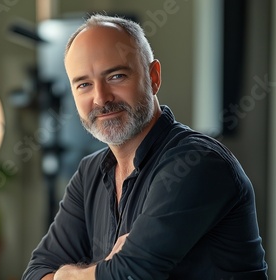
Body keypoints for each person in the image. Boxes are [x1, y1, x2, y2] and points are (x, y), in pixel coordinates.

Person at [22, 14, 268, 280]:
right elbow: (35, 272)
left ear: (153, 77)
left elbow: (132, 274)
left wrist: (66, 275)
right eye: (84, 84)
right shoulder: (89, 174)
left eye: (116, 76)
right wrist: (105, 268)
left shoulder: (198, 163)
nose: (101, 98)